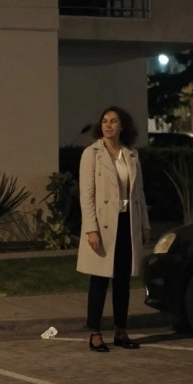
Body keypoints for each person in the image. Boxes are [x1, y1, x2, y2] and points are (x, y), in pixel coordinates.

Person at [77, 106, 150, 352]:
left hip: (127, 221)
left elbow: (138, 193)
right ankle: (95, 333)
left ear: (122, 126)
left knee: (123, 280)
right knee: (99, 279)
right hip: (103, 224)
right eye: (105, 121)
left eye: (114, 121)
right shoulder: (92, 153)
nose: (108, 125)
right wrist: (91, 229)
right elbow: (86, 194)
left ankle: (121, 331)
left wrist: (144, 225)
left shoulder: (130, 155)